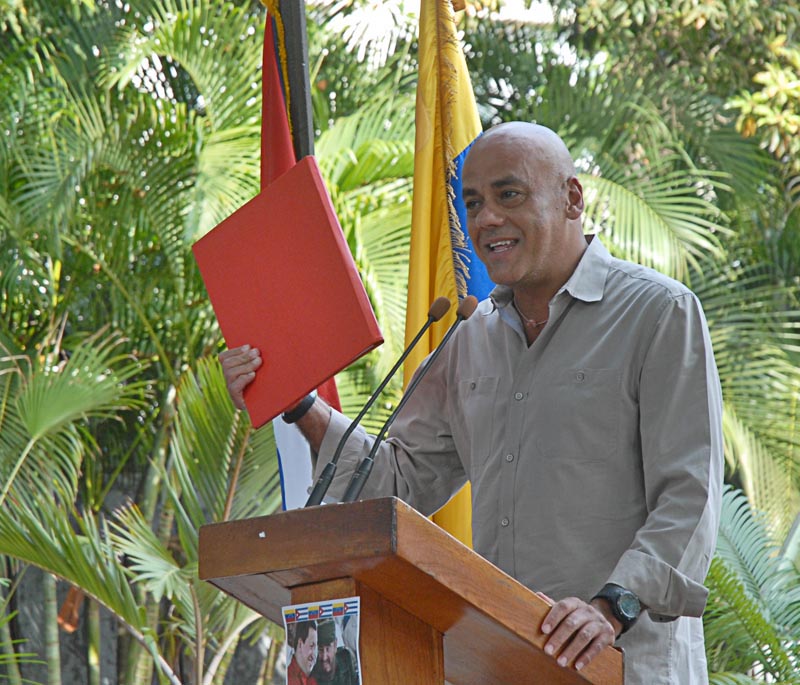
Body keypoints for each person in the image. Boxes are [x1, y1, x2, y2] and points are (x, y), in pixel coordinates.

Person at [221, 122, 723, 684]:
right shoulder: (470, 336)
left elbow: (689, 496)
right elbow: (401, 479)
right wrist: (299, 405)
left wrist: (611, 608)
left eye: (509, 195)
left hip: (625, 665)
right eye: (473, 202)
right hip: (501, 662)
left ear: (572, 198)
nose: (486, 220)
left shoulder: (658, 314)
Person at [311, 619, 359, 685]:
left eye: (328, 649)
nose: (324, 657)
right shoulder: (313, 675)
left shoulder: (346, 659)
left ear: (335, 646)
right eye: (321, 650)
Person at [287, 620, 319, 685]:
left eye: (315, 648)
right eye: (311, 646)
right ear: (300, 644)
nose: (314, 656)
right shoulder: (290, 679)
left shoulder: (311, 678)